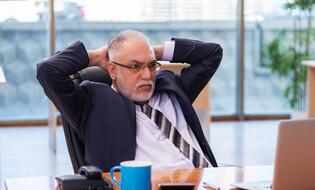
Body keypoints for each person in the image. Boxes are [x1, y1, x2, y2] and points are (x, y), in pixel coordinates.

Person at [36, 29, 223, 171]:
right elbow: (48, 71)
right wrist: (93, 57)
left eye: (151, 66)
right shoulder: (92, 103)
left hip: (206, 183)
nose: (146, 75)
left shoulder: (171, 87)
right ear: (112, 70)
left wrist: (151, 52)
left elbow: (212, 53)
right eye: (135, 66)